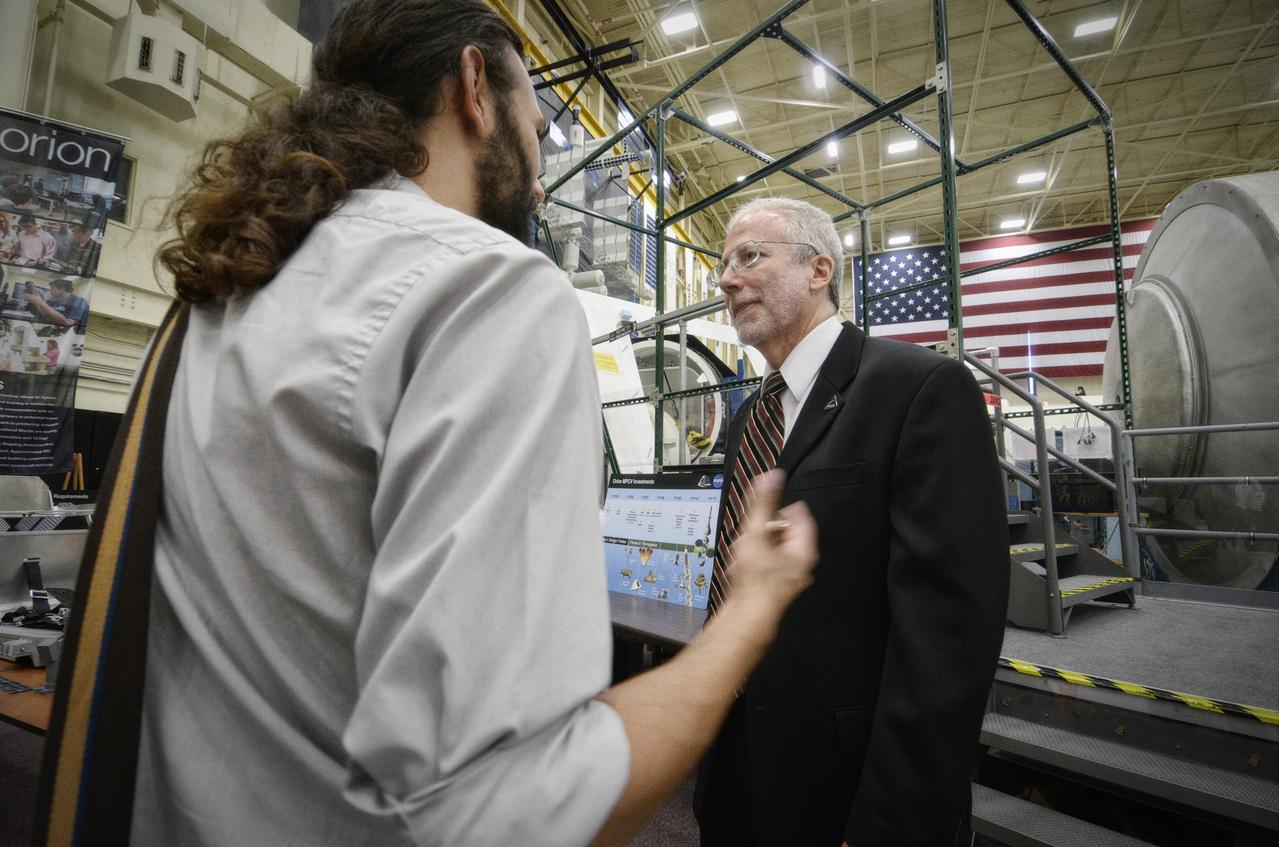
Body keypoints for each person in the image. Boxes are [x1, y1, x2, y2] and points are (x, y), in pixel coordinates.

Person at [124, 2, 818, 846]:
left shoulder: (228, 295)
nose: (535, 180)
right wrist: (750, 611)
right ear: (472, 87)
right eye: (534, 129)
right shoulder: (490, 290)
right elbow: (508, 812)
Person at [694, 198, 1011, 847]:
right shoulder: (748, 419)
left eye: (749, 256)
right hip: (736, 774)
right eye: (723, 264)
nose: (727, 279)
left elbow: (947, 640)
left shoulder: (919, 389)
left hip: (846, 791)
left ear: (818, 270)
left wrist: (888, 823)